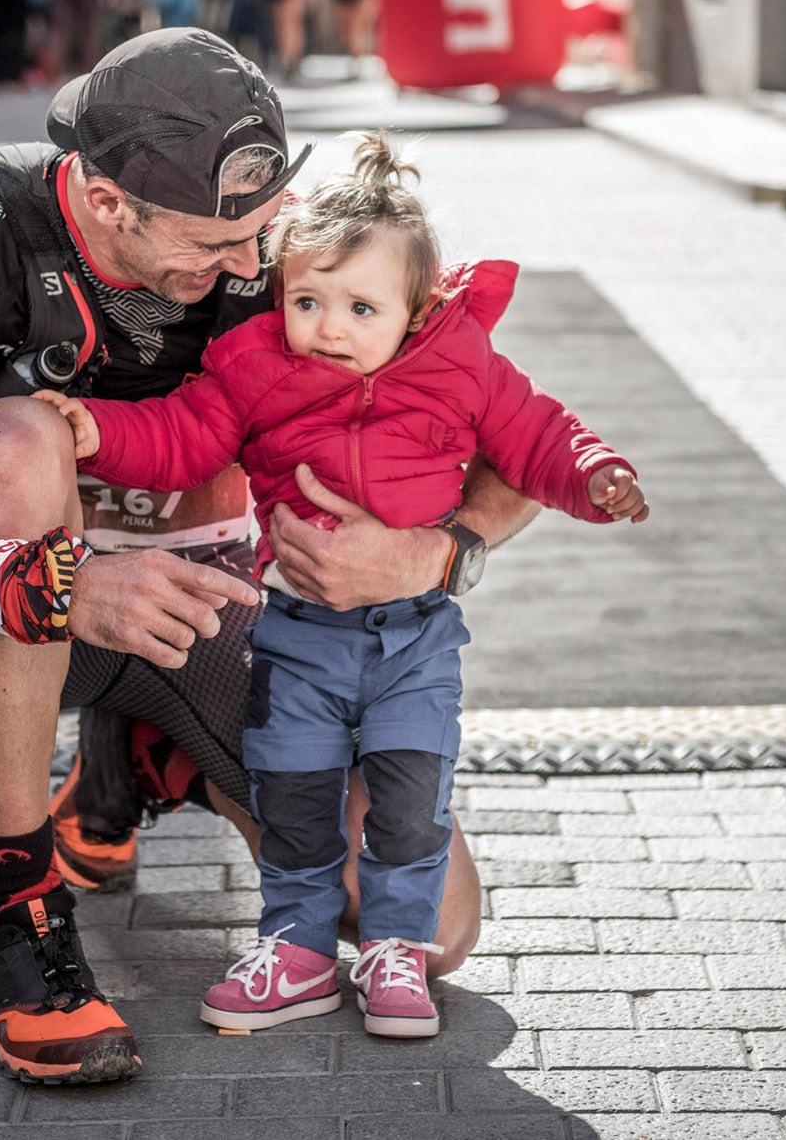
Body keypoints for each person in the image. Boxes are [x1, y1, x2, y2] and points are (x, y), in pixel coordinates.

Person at [0, 28, 532, 1086]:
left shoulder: (279, 235)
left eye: (258, 232)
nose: (248, 269)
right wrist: (59, 579)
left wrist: (437, 554)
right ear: (101, 202)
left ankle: (135, 757)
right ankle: (21, 911)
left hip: (206, 604)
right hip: (17, 613)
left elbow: (519, 436)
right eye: (208, 245)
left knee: (431, 924)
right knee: (10, 444)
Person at [34, 132, 647, 1038]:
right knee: (297, 791)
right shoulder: (257, 370)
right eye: (309, 300)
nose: (328, 326)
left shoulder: (461, 363)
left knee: (409, 794)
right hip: (297, 635)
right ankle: (297, 947)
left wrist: (596, 475)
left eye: (362, 307)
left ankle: (394, 945)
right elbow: (182, 432)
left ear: (417, 308)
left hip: (414, 638)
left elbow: (538, 436)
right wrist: (96, 431)